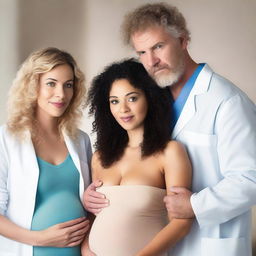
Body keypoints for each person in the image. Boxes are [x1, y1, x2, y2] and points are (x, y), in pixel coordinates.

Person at [84, 3, 256, 256]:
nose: (151, 61)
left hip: (210, 244)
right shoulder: (151, 98)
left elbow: (250, 178)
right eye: (141, 52)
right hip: (157, 241)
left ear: (183, 41)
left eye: (158, 47)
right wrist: (98, 196)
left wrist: (196, 206)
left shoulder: (227, 102)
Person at [84, 59, 192, 255]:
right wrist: (86, 250)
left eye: (132, 98)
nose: (123, 109)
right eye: (114, 101)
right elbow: (94, 216)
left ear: (150, 97)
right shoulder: (100, 158)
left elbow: (182, 222)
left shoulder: (170, 152)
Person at [0, 47, 92, 256]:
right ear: (33, 86)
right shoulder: (6, 139)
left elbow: (89, 201)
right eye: (51, 83)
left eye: (68, 85)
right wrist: (40, 238)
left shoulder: (81, 141)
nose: (61, 94)